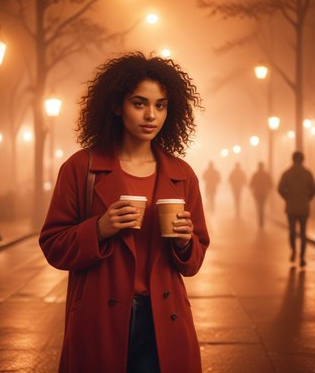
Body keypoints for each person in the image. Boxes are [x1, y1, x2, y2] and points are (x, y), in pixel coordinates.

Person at [39, 52, 210, 373]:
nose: (151, 115)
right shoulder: (81, 168)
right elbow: (52, 245)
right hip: (99, 320)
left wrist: (185, 242)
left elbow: (195, 261)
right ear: (117, 106)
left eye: (161, 105)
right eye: (139, 103)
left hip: (163, 320)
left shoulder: (181, 174)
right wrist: (99, 229)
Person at [277, 151, 315, 268]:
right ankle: (302, 257)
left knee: (292, 232)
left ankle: (294, 251)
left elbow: (280, 188)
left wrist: (287, 198)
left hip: (291, 207)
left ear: (293, 159)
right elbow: (314, 189)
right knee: (303, 233)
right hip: (304, 207)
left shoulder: (287, 173)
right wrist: (307, 198)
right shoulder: (307, 173)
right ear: (303, 159)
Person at [249, 162, 272, 228]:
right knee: (261, 207)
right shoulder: (265, 175)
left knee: (260, 206)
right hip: (262, 193)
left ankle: (260, 220)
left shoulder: (256, 175)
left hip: (260, 193)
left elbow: (251, 184)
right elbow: (271, 184)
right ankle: (261, 220)